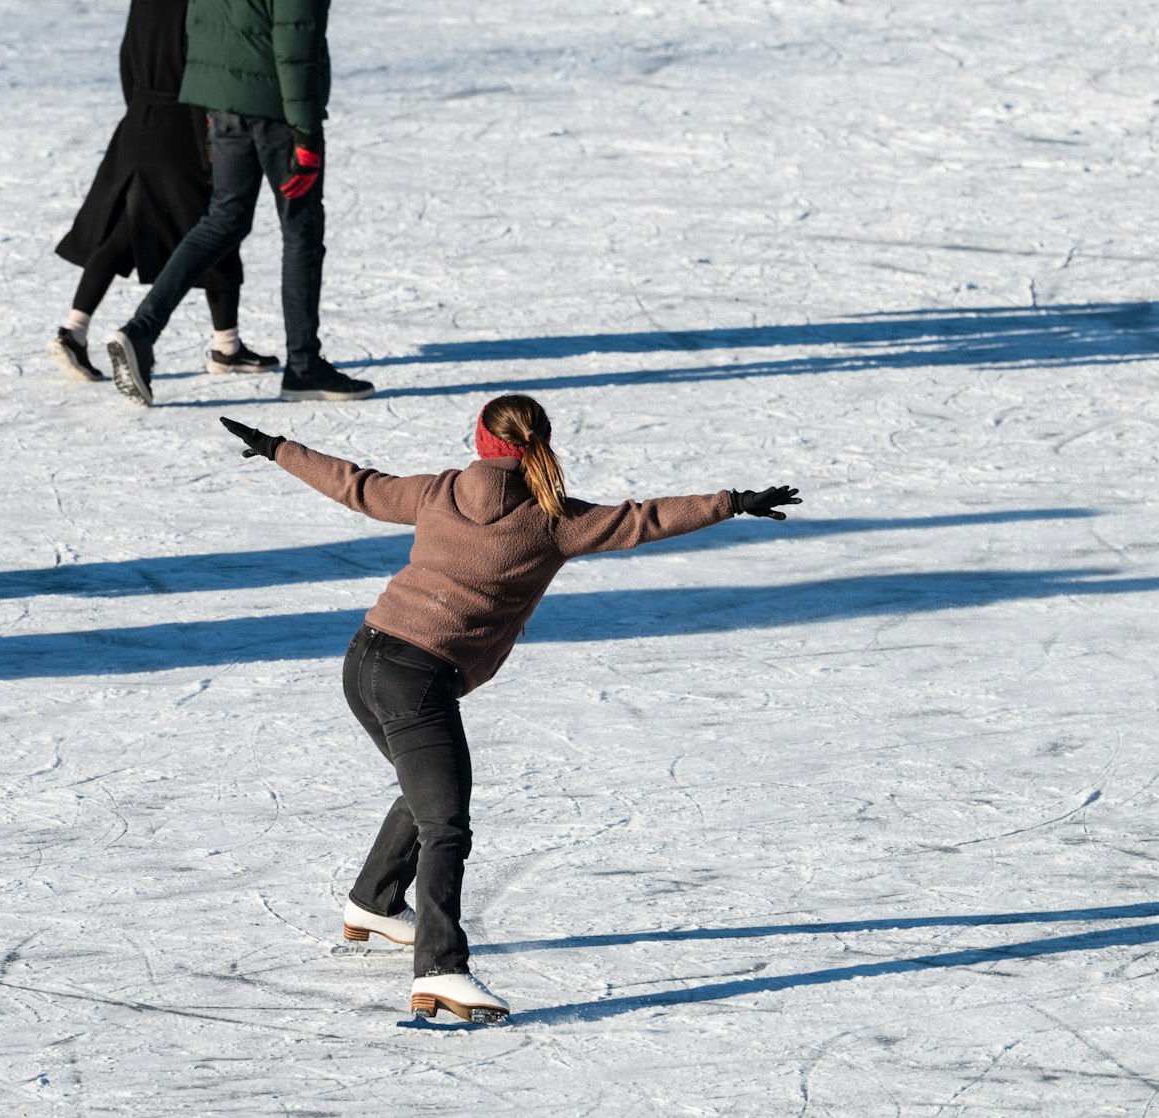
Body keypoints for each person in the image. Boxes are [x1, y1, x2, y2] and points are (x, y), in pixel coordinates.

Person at [219, 395, 802, 1022]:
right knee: (447, 824)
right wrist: (733, 502)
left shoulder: (439, 491)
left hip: (365, 660)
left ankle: (375, 902)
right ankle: (441, 970)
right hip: (416, 678)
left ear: (481, 441)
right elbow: (645, 518)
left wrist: (278, 447)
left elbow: (356, 486)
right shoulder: (554, 519)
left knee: (427, 792)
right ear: (539, 443)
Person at [105, 0, 374, 406]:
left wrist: (215, 101)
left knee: (223, 220)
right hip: (278, 111)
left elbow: (200, 21)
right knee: (301, 232)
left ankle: (141, 330)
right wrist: (305, 133)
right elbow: (295, 44)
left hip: (225, 104)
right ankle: (304, 368)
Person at [49, 0, 277, 385]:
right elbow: (200, 72)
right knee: (218, 228)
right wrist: (206, 140)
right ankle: (227, 348)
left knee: (124, 232)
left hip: (138, 119)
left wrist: (139, 111)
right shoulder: (199, 5)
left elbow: (126, 60)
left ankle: (74, 331)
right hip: (181, 131)